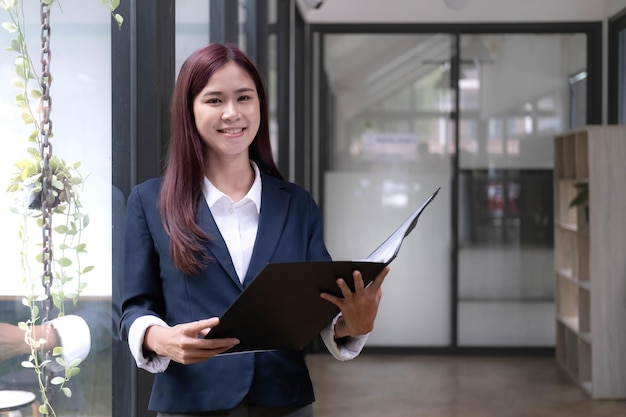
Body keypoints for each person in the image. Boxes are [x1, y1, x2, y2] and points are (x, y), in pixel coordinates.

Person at [119, 42, 389, 417]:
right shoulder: (150, 202)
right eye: (214, 100)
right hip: (191, 401)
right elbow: (135, 308)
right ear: (189, 111)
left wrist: (353, 325)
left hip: (284, 401)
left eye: (244, 97)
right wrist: (159, 338)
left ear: (259, 105)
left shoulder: (297, 204)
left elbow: (320, 306)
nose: (233, 113)